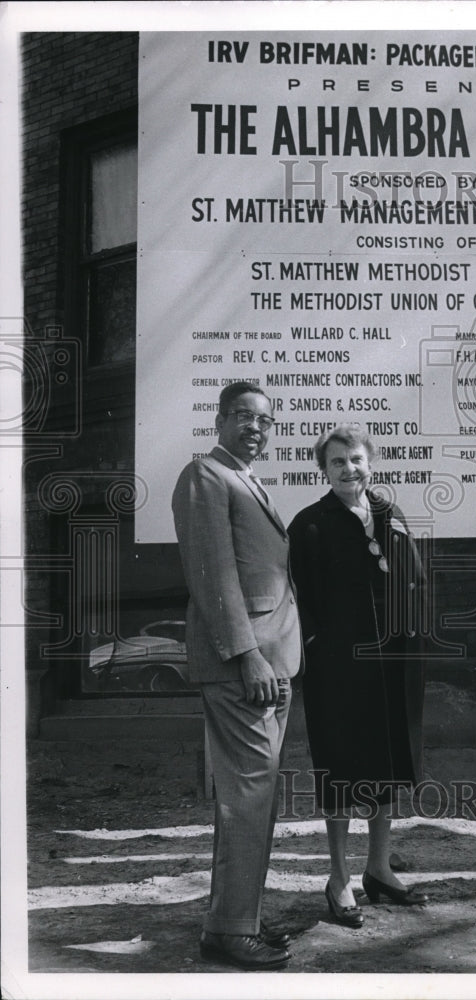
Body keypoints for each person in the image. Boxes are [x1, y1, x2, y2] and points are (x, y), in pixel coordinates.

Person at [172, 381, 302, 970]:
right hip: (243, 666)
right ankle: (228, 930)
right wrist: (246, 654)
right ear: (220, 420)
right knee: (249, 793)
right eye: (244, 416)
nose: (256, 427)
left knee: (255, 796)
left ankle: (238, 917)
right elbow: (213, 574)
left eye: (266, 420)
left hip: (272, 664)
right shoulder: (206, 476)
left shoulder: (247, 479)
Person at [288, 424, 428, 929]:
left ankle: (379, 868)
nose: (349, 469)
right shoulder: (310, 525)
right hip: (340, 669)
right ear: (323, 471)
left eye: (356, 460)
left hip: (392, 664)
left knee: (386, 761)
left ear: (372, 463)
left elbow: (413, 579)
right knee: (343, 768)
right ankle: (338, 877)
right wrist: (316, 650)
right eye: (337, 463)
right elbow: (300, 600)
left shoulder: (392, 516)